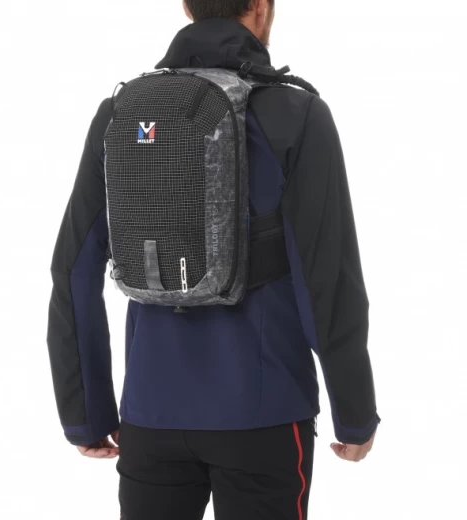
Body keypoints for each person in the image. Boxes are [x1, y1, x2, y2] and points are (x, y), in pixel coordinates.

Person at [47, 1, 380, 518]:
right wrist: (354, 413)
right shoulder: (296, 114)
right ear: (261, 8)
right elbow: (327, 277)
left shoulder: (121, 110)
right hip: (263, 416)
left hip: (150, 417)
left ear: (186, 7)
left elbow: (73, 269)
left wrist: (84, 413)